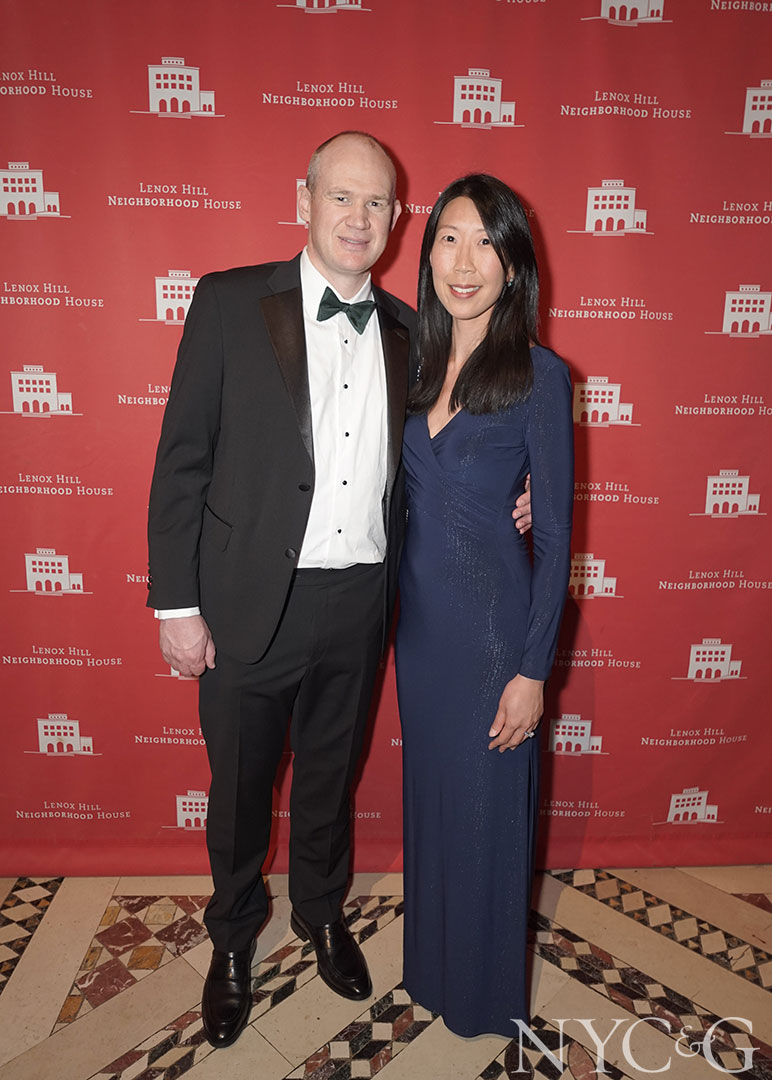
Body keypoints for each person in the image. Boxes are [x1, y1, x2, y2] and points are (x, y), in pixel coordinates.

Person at [147, 131, 535, 1049]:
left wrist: (517, 492)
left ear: (397, 220)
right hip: (246, 601)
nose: (359, 218)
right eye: (341, 197)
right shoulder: (229, 302)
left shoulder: (412, 331)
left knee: (329, 779)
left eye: (378, 203)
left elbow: (458, 444)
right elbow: (181, 460)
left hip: (361, 600)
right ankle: (233, 940)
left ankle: (321, 915)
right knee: (240, 791)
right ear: (304, 199)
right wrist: (177, 606)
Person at [395, 174, 574, 1038]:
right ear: (427, 251)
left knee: (487, 817)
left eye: (486, 243)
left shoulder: (540, 375)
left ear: (513, 264)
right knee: (436, 808)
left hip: (495, 637)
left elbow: (558, 538)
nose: (464, 262)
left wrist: (533, 671)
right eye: (448, 238)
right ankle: (432, 970)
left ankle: (481, 995)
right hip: (418, 637)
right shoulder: (408, 359)